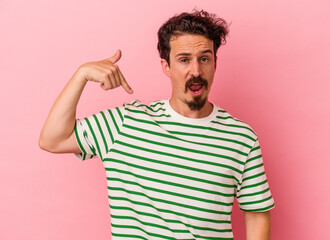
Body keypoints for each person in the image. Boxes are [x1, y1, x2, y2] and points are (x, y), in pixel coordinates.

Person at [39, 10, 275, 240]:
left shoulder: (241, 138)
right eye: (184, 60)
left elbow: (257, 215)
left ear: (215, 63)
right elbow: (53, 140)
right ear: (166, 67)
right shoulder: (125, 123)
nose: (196, 71)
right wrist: (81, 75)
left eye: (204, 58)